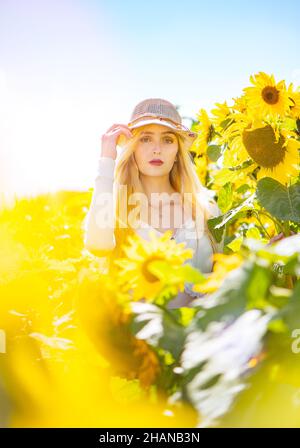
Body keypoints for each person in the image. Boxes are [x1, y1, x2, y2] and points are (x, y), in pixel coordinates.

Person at [84, 98, 225, 308]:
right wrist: (106, 161)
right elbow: (97, 246)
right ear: (132, 149)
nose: (157, 149)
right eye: (145, 139)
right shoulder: (117, 208)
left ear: (178, 152)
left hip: (204, 337)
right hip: (142, 337)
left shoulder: (206, 208)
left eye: (168, 140)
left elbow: (223, 278)